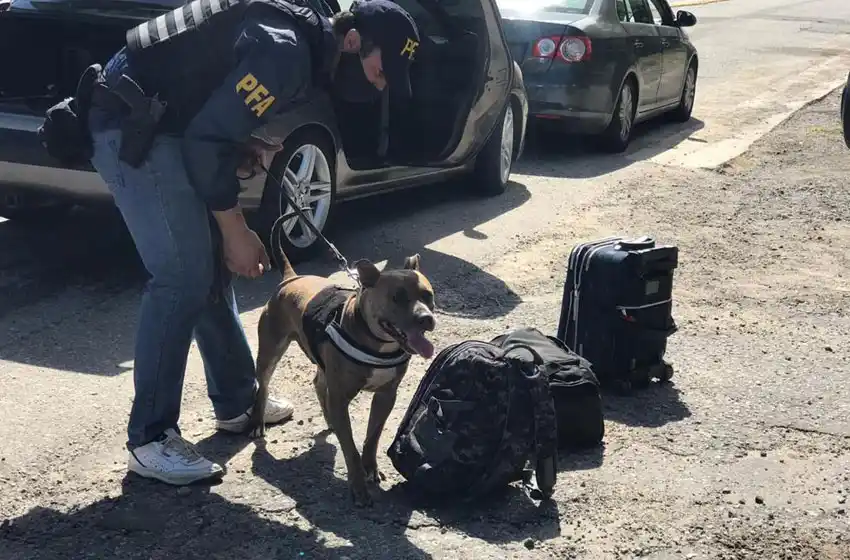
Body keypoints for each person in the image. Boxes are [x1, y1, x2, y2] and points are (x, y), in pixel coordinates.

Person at [86, 0, 421, 486]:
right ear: (353, 42)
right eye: (380, 71)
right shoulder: (285, 53)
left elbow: (207, 108)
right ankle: (150, 439)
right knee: (182, 276)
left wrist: (240, 144)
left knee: (207, 272)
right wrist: (235, 230)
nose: (380, 85)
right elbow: (203, 140)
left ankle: (239, 401)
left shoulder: (302, 48)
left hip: (162, 120)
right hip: (131, 126)